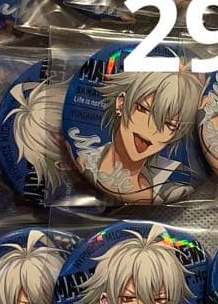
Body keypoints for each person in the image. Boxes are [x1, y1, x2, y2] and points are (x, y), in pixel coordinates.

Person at [67, 68, 203, 204]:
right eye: (143, 110)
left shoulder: (175, 189)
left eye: (169, 124)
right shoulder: (83, 164)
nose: (151, 130)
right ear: (121, 103)